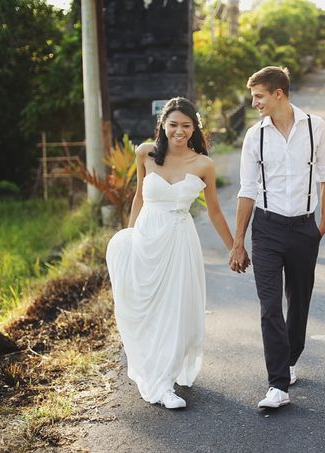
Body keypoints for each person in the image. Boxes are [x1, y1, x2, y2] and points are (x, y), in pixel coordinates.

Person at [106, 97, 236, 409]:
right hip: (147, 237)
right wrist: (130, 235)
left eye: (186, 125)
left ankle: (164, 383)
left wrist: (235, 247)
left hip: (179, 242)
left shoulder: (203, 164)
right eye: (174, 124)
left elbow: (215, 212)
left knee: (175, 309)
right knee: (146, 308)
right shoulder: (146, 152)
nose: (179, 130)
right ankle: (153, 370)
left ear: (195, 128)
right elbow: (139, 196)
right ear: (163, 126)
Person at [229, 66, 325, 408]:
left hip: (304, 228)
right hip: (267, 229)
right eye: (252, 97)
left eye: (259, 96)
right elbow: (247, 189)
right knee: (270, 306)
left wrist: (322, 224)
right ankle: (277, 384)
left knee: (299, 301)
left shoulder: (315, 127)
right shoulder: (254, 136)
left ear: (279, 93)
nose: (254, 103)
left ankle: (290, 358)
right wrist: (238, 241)